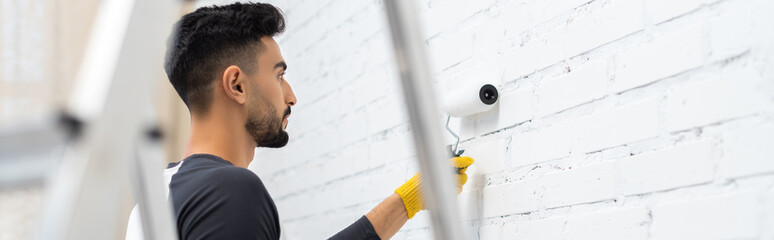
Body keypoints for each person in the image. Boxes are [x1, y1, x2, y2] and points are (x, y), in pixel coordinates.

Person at [126, 2, 474, 239]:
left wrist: (406, 202)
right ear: (237, 85)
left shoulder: (160, 193)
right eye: (279, 76)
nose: (291, 96)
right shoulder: (229, 190)